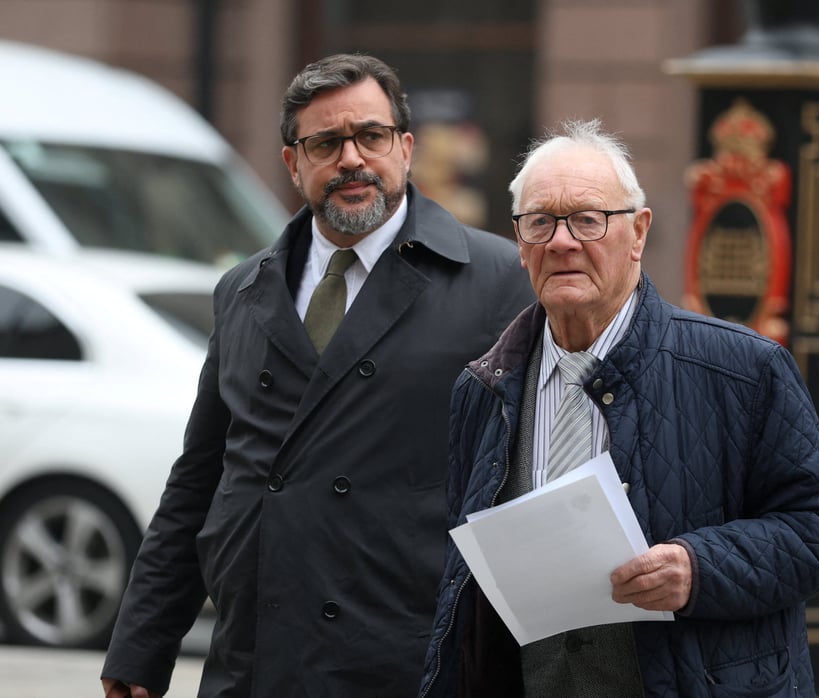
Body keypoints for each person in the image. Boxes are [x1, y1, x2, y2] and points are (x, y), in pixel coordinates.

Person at [100, 53, 535, 697]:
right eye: (325, 142)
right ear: (292, 162)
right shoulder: (242, 290)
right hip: (256, 656)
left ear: (406, 147)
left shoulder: (500, 280)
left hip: (408, 659)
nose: (351, 159)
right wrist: (141, 646)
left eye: (370, 136)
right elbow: (201, 477)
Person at [419, 119, 819, 697]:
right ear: (521, 241)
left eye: (587, 218)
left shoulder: (742, 369)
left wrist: (698, 568)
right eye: (540, 222)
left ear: (638, 233)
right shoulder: (483, 387)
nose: (562, 241)